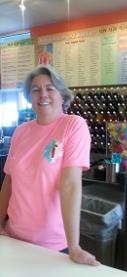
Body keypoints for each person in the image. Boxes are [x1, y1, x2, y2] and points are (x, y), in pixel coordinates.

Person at [0, 64, 100, 266]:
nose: (42, 94)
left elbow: (70, 185)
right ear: (30, 98)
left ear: (62, 95)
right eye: (35, 90)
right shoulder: (21, 131)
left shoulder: (73, 125)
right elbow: (9, 182)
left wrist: (74, 247)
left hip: (51, 245)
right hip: (13, 236)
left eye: (49, 88)